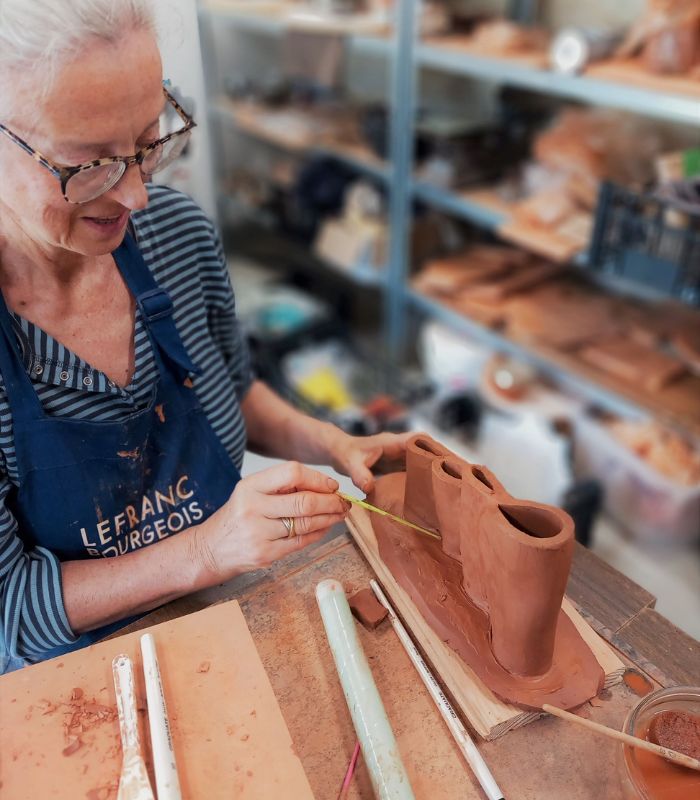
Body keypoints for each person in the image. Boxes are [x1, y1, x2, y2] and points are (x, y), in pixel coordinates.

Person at [0, 0, 411, 671]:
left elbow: (235, 390)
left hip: (235, 608)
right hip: (83, 675)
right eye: (89, 166)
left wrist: (333, 442)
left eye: (147, 139)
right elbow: (9, 607)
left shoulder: (175, 233)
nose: (135, 195)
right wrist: (205, 550)